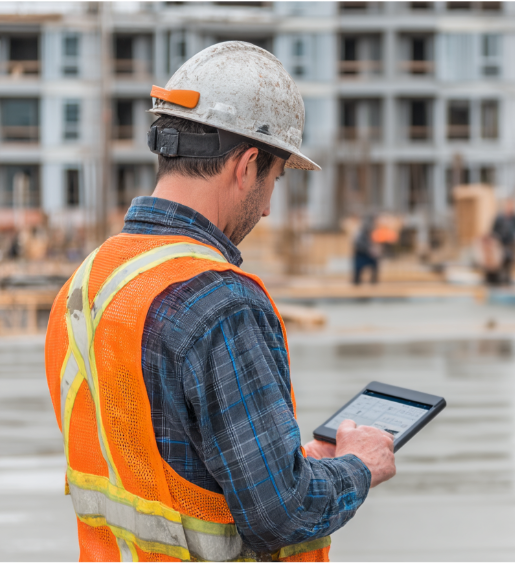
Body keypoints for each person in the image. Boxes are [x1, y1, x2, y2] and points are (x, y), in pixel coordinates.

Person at [43, 42, 395, 563]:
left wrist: (293, 463)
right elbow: (282, 515)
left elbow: (156, 461)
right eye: (274, 179)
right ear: (248, 163)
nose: (270, 207)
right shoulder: (220, 304)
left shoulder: (93, 278)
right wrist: (357, 466)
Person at [490, 199, 515, 284]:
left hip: (511, 245)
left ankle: (508, 281)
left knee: (509, 263)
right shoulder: (499, 218)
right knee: (499, 264)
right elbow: (492, 231)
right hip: (500, 245)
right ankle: (498, 281)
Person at [353, 215, 380, 285]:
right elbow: (358, 244)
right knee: (358, 268)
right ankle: (357, 280)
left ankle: (373, 280)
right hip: (361, 253)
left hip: (367, 253)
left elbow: (371, 243)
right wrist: (369, 249)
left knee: (375, 262)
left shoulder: (370, 233)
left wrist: (373, 249)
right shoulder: (361, 233)